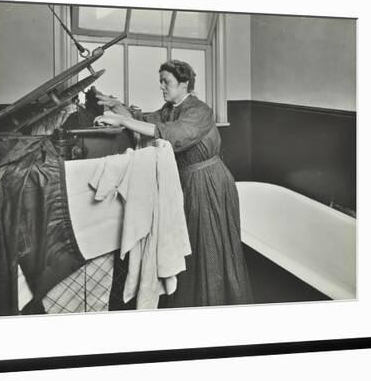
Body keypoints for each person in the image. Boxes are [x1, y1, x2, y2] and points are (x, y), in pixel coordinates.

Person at [94, 59, 253, 308]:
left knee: (209, 244)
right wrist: (118, 107)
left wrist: (122, 121)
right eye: (161, 82)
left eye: (166, 82)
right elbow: (146, 119)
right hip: (188, 182)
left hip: (209, 183)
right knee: (191, 242)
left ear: (184, 83)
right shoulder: (170, 108)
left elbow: (169, 133)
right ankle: (191, 300)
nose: (162, 87)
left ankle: (215, 301)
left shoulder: (199, 111)